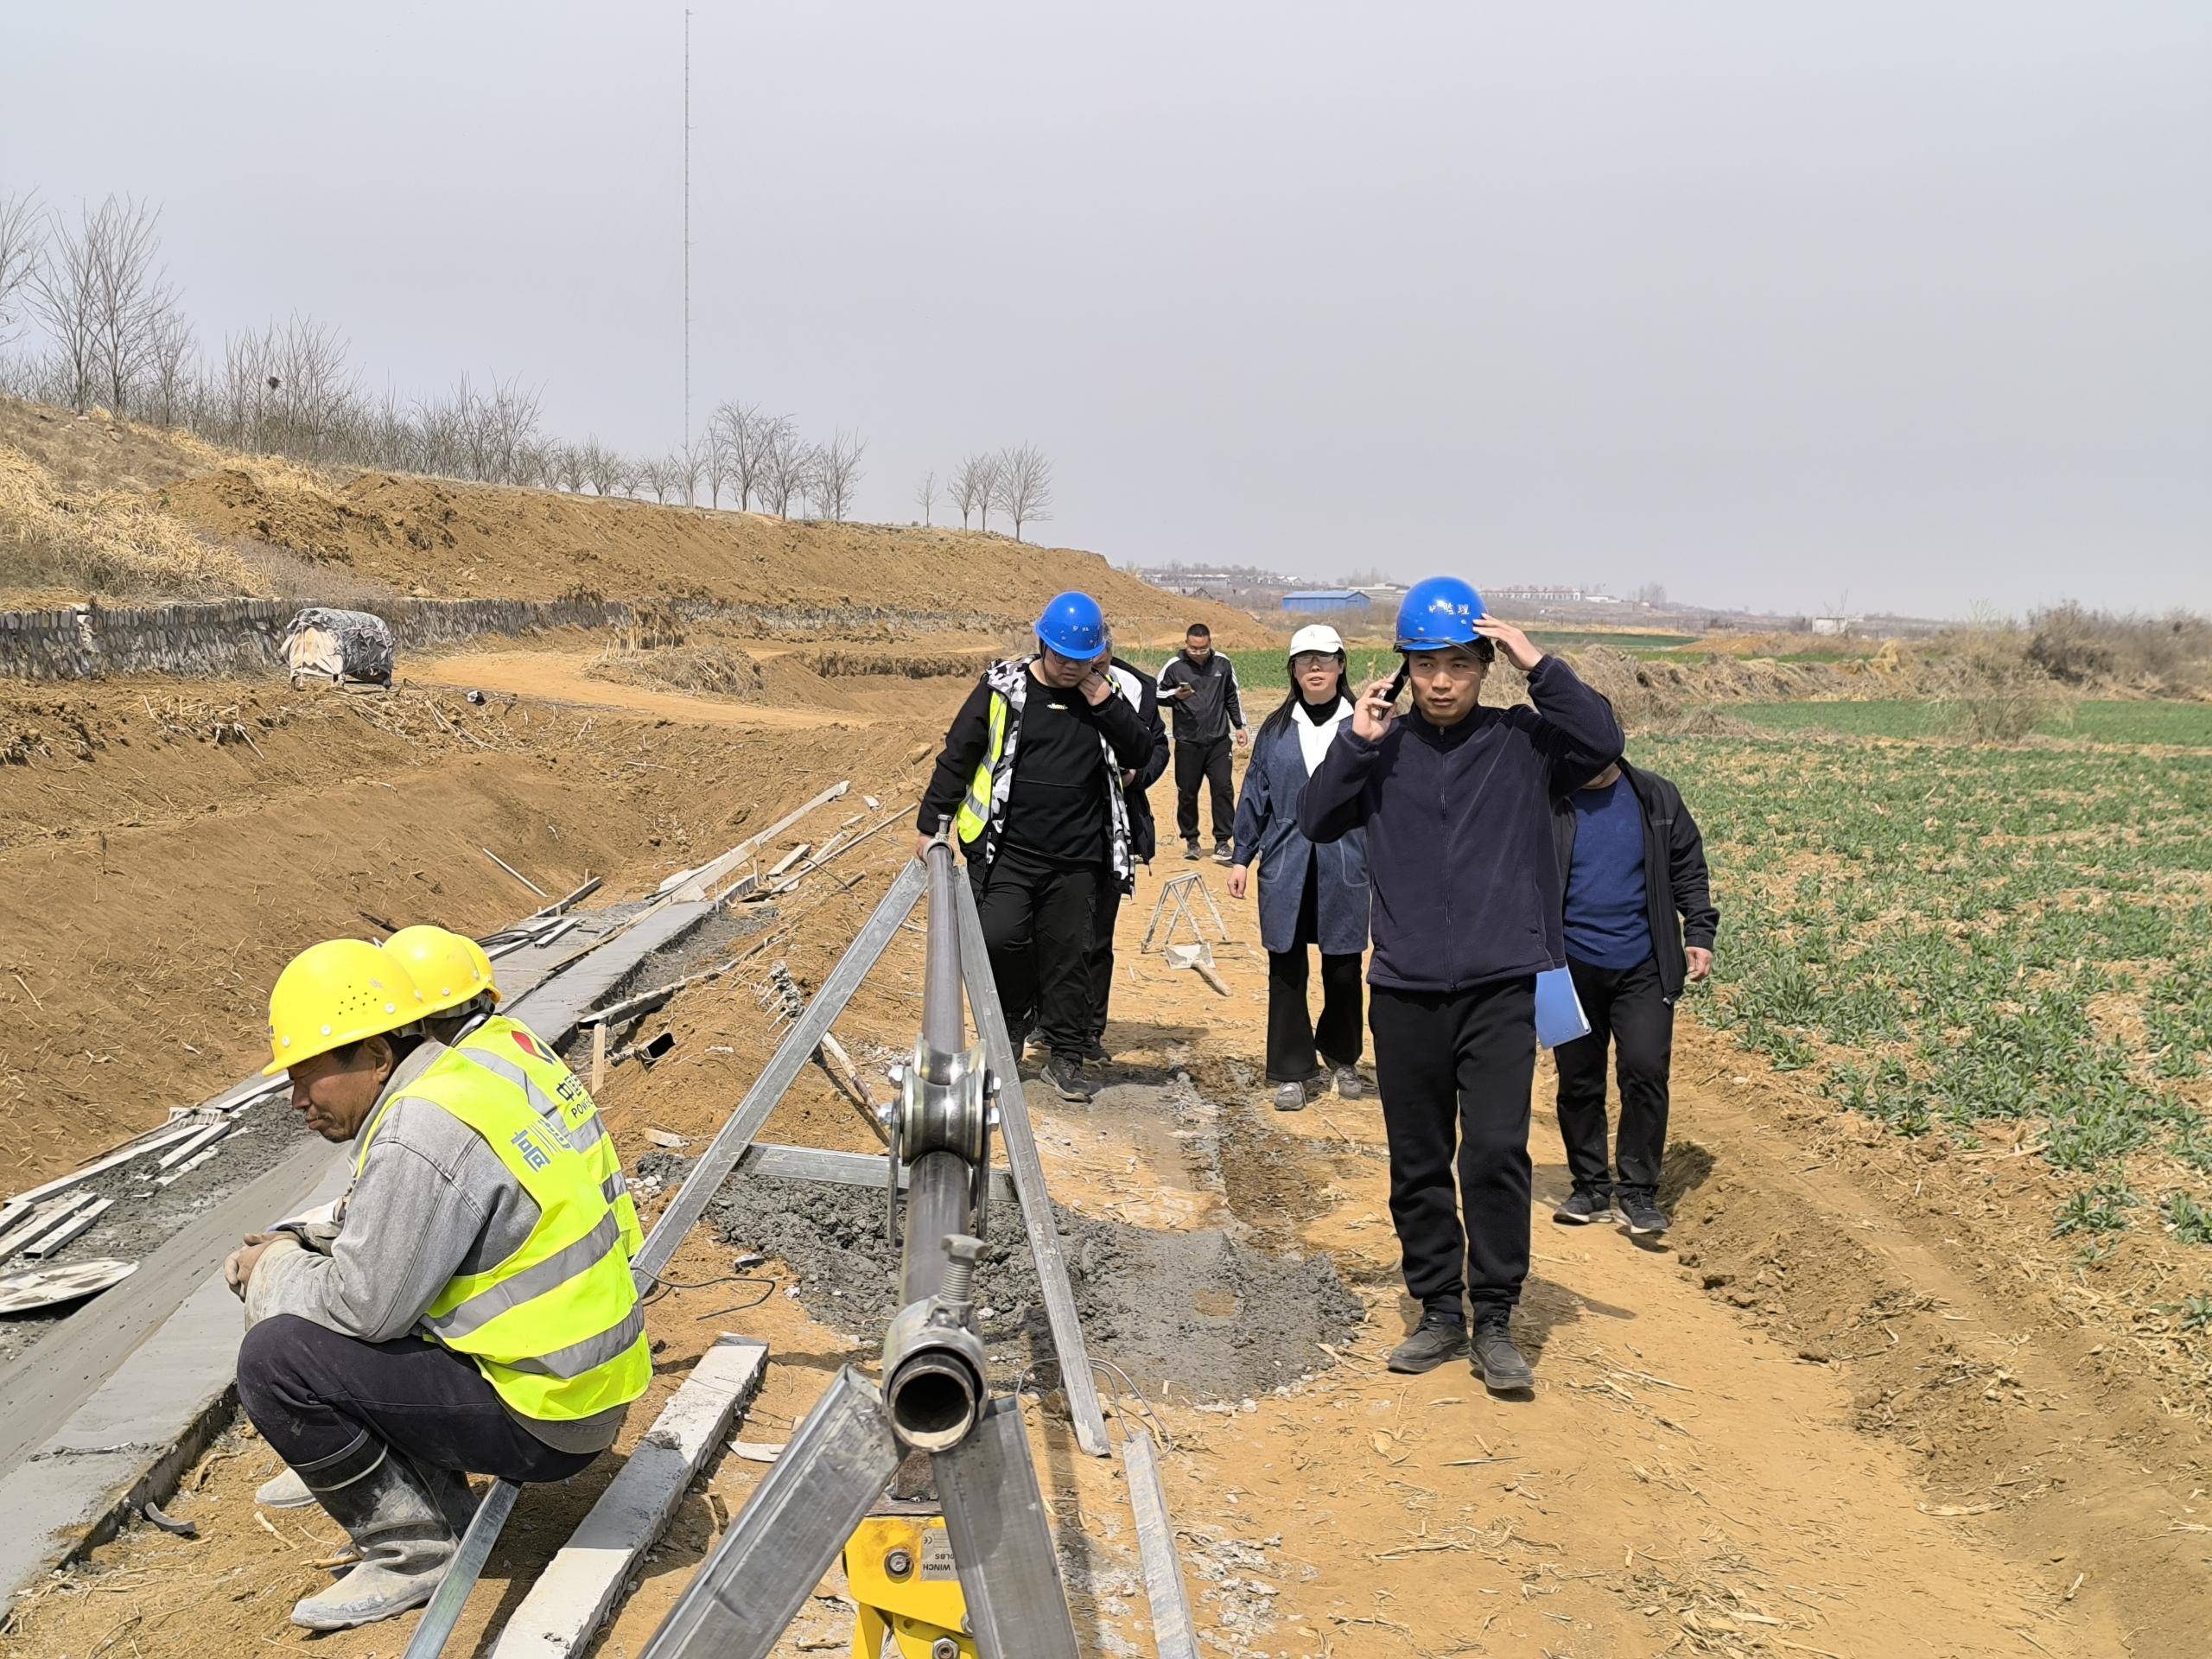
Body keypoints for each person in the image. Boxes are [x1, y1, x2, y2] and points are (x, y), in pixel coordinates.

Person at [226, 939, 649, 1630]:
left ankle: (410, 1550)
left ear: (375, 1056)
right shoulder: (463, 1084)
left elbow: (365, 1310)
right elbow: (397, 1236)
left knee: (276, 1360)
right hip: (583, 1391)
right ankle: (442, 1510)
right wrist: (301, 1242)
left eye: (308, 1077)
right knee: (357, 1306)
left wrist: (268, 1268)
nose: (298, 1101)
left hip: (545, 1420)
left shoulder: (419, 1129)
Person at [1300, 577, 1622, 1393]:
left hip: (1499, 989)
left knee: (1495, 1152)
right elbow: (1313, 819)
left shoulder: (1523, 745)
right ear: (1405, 670)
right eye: (1426, 664)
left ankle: (1498, 1317)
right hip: (1404, 988)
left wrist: (1536, 662)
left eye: (1460, 664)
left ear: (1484, 667)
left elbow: (1603, 739)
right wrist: (1357, 741)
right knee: (1417, 1158)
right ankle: (1440, 1311)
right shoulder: (1383, 749)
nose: (1442, 681)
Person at [916, 592, 1154, 1102]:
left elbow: (1141, 751)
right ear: (1043, 644)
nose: (1071, 668)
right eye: (1063, 657)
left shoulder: (1107, 695)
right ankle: (1014, 1016)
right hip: (1009, 849)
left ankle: (1066, 1055)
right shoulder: (1004, 689)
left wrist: (1104, 705)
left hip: (1079, 857)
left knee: (1070, 954)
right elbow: (959, 753)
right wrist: (933, 822)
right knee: (1000, 938)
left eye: (1082, 659)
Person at [1548, 755, 1718, 1236]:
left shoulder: (1655, 796)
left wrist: (1699, 933)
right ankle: (1590, 1186)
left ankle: (1639, 1191)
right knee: (1578, 1079)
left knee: (1645, 1070)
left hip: (1644, 964)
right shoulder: (1548, 799)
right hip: (1565, 966)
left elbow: (1689, 868)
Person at [1226, 624, 1371, 1113]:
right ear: (1292, 669)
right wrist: (1242, 856)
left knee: (1344, 966)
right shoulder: (1275, 728)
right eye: (1305, 660)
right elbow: (1254, 794)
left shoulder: (1364, 725)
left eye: (1324, 659)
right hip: (1286, 861)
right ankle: (1291, 1069)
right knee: (1286, 967)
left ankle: (1342, 1054)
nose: (1315, 668)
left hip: (1347, 860)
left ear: (1341, 665)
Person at [1084, 629, 1172, 1065]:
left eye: (1099, 659)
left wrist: (1137, 777)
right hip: (1052, 830)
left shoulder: (1138, 687)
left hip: (1112, 831)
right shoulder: (1043, 682)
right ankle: (1042, 1019)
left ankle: (1089, 1031)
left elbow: (1157, 746)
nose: (1089, 667)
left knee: (1099, 935)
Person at [1156, 621, 1247, 863]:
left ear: (1210, 644)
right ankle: (1192, 841)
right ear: (1186, 644)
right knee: (1187, 792)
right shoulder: (1174, 666)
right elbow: (1156, 693)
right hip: (1187, 741)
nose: (1198, 652)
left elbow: (1232, 695)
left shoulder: (1223, 664)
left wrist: (1240, 726)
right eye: (1193, 648)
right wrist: (1175, 695)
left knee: (1223, 788)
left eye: (1203, 648)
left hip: (1218, 740)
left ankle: (1223, 842)